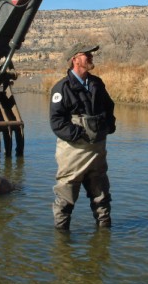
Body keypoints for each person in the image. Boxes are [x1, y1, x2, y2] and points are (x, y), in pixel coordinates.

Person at [49, 43, 116, 230]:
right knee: (65, 198)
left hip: (97, 153)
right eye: (87, 55)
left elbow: (109, 107)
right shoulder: (61, 88)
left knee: (102, 198)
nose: (91, 57)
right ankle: (62, 244)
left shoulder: (97, 83)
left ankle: (103, 239)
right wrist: (80, 133)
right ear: (75, 59)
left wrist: (108, 126)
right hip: (73, 153)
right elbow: (56, 122)